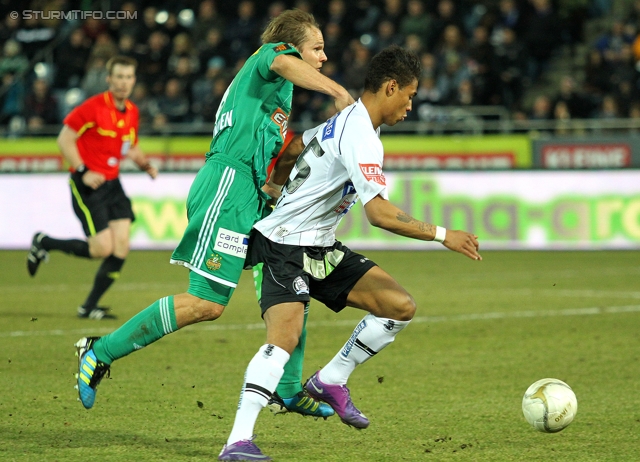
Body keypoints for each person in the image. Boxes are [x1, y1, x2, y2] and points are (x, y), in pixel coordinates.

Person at [72, 10, 354, 420]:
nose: (325, 57)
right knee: (207, 302)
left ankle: (288, 388)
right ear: (293, 47)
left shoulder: (278, 94)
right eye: (318, 48)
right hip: (227, 184)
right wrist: (338, 93)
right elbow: (281, 61)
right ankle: (99, 351)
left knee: (293, 274)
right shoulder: (269, 58)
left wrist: (275, 185)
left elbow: (277, 147)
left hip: (252, 193)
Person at [218, 45, 482, 461]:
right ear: (390, 87)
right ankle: (237, 441)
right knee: (283, 339)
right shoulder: (361, 134)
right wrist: (443, 234)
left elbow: (292, 148)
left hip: (319, 244)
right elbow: (379, 214)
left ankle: (332, 378)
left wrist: (276, 188)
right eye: (409, 95)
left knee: (398, 306)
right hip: (285, 244)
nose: (411, 105)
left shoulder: (348, 121)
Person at [27, 55, 158, 320]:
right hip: (87, 184)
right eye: (118, 77)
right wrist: (83, 171)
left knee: (121, 248)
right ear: (109, 79)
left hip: (113, 183)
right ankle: (44, 242)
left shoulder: (132, 111)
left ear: (134, 81)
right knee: (102, 249)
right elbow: (64, 139)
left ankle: (88, 307)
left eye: (128, 77)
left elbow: (129, 144)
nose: (123, 83)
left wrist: (145, 165)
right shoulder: (93, 107)